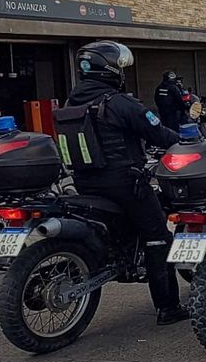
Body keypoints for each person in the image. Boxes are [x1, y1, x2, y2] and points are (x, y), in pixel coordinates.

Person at [55, 41, 187, 325]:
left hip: (85, 184)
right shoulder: (119, 102)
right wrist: (188, 141)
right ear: (110, 69)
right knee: (158, 237)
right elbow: (158, 133)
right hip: (125, 184)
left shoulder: (72, 102)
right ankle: (168, 307)